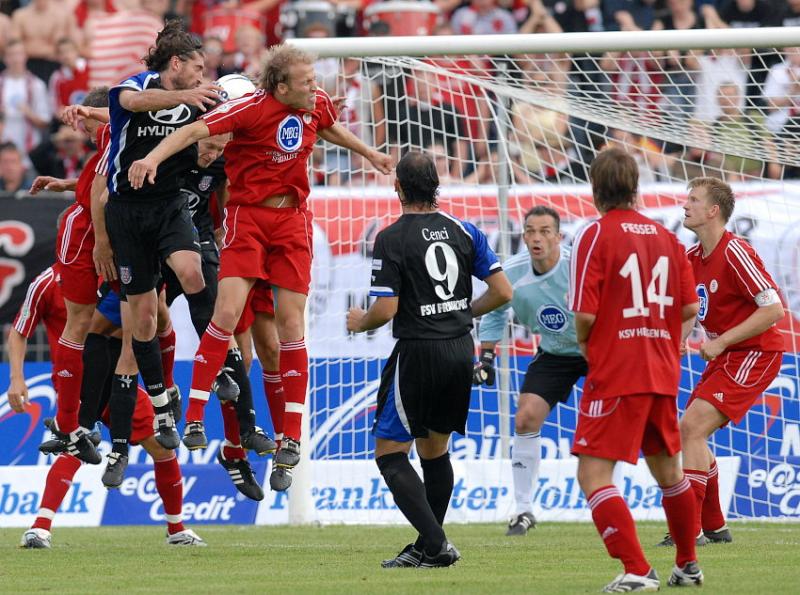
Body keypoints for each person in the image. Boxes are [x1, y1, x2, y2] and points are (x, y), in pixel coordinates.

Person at [127, 44, 392, 490]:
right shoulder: (249, 110)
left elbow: (328, 128)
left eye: (314, 81)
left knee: (291, 327)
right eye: (306, 82)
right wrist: (151, 158)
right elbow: (193, 132)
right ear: (281, 86)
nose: (315, 88)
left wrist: (371, 154)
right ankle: (194, 418)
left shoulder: (314, 103)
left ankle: (291, 437)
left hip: (292, 222)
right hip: (249, 220)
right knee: (227, 315)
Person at [346, 152, 513, 568]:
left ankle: (436, 544)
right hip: (460, 349)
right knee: (434, 451)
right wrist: (463, 313)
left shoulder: (391, 237)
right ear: (436, 186)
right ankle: (427, 546)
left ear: (397, 187)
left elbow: (384, 311)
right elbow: (503, 292)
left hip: (419, 352)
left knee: (389, 453)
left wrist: (358, 322)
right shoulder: (463, 229)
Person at [569, 147, 703, 591]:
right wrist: (671, 343)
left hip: (617, 370)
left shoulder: (594, 236)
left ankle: (637, 569)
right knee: (670, 473)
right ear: (635, 187)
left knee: (593, 474)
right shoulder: (667, 237)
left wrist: (588, 346)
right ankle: (687, 564)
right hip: (661, 370)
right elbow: (689, 306)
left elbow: (585, 315)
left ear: (595, 188)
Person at [100, 19, 222, 460]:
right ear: (177, 63)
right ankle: (161, 405)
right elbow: (132, 102)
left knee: (193, 272)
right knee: (145, 321)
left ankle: (219, 365)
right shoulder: (133, 86)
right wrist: (185, 96)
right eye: (198, 68)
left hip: (170, 205)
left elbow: (238, 114)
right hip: (127, 214)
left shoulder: (201, 97)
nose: (202, 77)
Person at [10, 284, 206, 548]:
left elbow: (148, 321)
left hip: (120, 378)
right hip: (77, 382)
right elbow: (19, 330)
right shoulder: (48, 282)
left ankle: (177, 530)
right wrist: (16, 378)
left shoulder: (113, 275)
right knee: (76, 446)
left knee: (161, 446)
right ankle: (39, 529)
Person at [662, 176, 784, 546]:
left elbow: (774, 309)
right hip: (726, 356)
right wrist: (679, 338)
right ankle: (714, 526)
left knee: (691, 428)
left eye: (693, 200)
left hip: (755, 353)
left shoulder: (735, 251)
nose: (685, 206)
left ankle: (690, 528)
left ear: (713, 211)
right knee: (692, 433)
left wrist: (723, 341)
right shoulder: (691, 258)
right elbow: (687, 309)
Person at [474, 205, 587, 536]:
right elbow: (494, 311)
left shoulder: (578, 266)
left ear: (558, 236)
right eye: (530, 232)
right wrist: (487, 356)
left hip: (596, 348)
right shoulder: (512, 272)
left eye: (544, 232)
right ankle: (523, 510)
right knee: (525, 417)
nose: (536, 239)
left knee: (620, 420)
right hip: (555, 352)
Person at [27, 87, 110, 465]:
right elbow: (96, 188)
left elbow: (99, 184)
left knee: (141, 315)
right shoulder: (116, 136)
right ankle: (68, 423)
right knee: (80, 324)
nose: (81, 130)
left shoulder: (116, 130)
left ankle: (74, 422)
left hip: (100, 235)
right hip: (86, 236)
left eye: (85, 121)